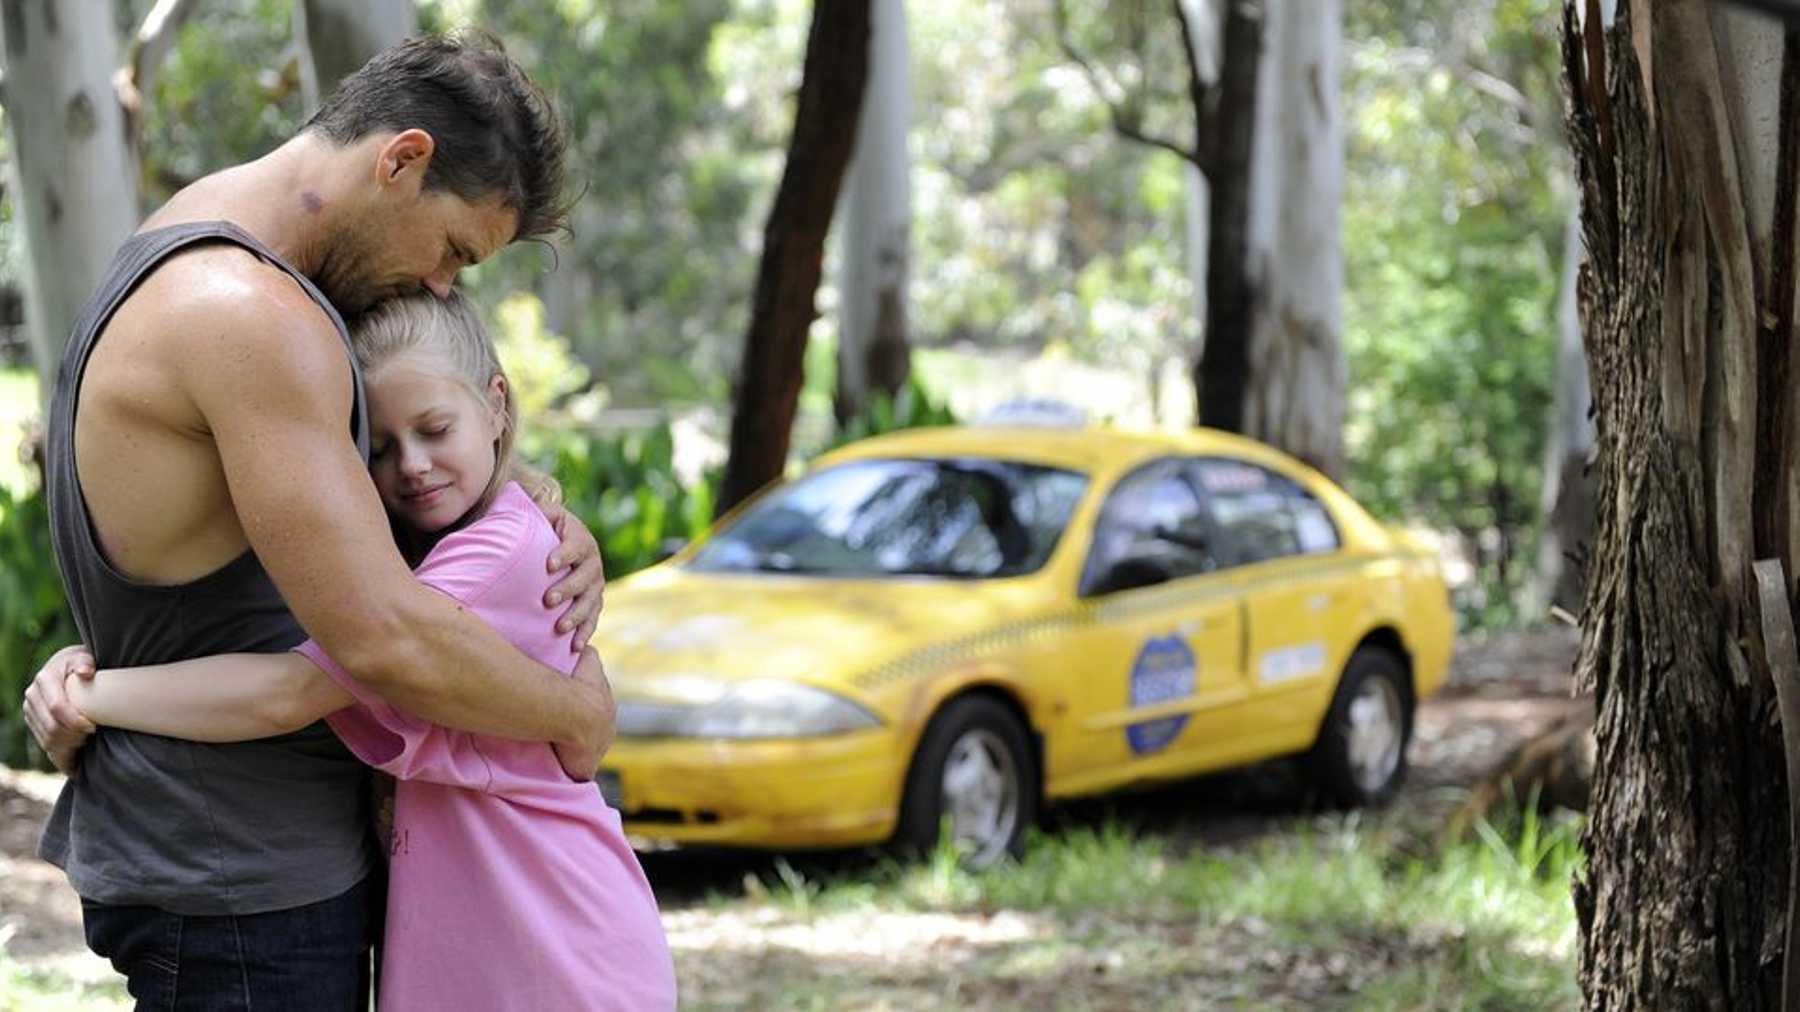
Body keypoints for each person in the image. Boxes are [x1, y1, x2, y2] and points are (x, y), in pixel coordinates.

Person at [18, 32, 616, 1010]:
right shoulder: (251, 314)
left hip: (223, 861)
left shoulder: (193, 232)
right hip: (244, 882)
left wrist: (532, 499)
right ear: (403, 160)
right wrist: (575, 712)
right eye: (453, 250)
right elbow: (381, 635)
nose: (442, 287)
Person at [45, 292, 676, 1011]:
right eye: (379, 447)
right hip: (484, 934)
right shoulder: (444, 547)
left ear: (496, 404)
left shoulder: (496, 554)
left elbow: (287, 692)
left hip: (552, 937)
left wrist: (93, 693)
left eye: (435, 429)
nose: (411, 465)